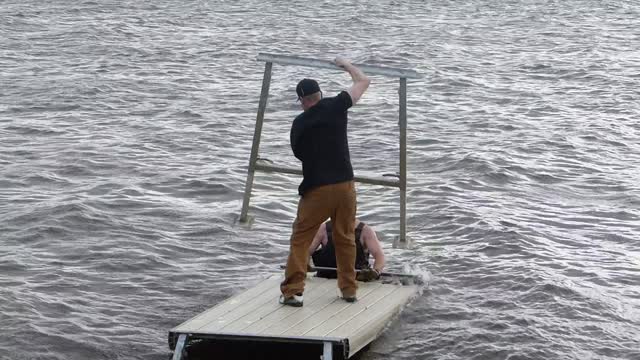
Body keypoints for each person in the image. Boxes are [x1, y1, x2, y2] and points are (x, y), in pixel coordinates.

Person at [279, 57, 370, 307]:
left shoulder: (299, 123)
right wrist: (347, 65)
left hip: (317, 188)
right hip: (345, 187)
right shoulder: (337, 105)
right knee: (345, 237)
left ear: (302, 102)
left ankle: (293, 291)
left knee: (300, 239)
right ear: (319, 94)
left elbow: (298, 153)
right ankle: (349, 290)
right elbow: (363, 81)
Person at [309, 219, 385, 282]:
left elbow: (379, 256)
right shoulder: (323, 228)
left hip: (357, 279)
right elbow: (306, 251)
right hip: (325, 277)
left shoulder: (365, 231)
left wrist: (375, 272)